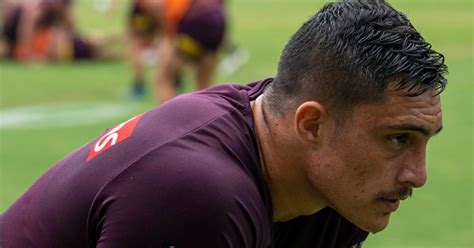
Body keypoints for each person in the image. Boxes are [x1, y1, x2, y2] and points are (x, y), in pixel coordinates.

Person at [0, 0, 447, 247]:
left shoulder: (336, 190)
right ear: (311, 124)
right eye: (396, 138)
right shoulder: (197, 197)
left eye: (423, 141)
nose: (418, 175)